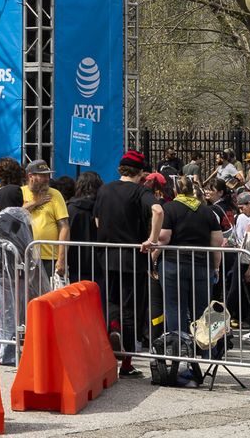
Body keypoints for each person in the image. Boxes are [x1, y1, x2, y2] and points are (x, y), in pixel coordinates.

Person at [93, 151, 153, 375]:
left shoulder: (104, 189)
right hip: (131, 257)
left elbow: (98, 219)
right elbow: (157, 210)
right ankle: (127, 362)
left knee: (112, 301)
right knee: (131, 307)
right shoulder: (140, 191)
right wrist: (151, 239)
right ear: (139, 172)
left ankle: (113, 327)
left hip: (106, 255)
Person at [150, 175, 223, 354]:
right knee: (202, 309)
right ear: (193, 190)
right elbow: (217, 242)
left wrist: (151, 259)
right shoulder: (207, 211)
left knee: (175, 307)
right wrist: (216, 267)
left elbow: (164, 238)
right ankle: (205, 351)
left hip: (173, 264)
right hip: (201, 265)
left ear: (175, 191)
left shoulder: (170, 208)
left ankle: (180, 350)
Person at [0, 183, 33, 365]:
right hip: (19, 271)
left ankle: (6, 351)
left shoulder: (4, 217)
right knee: (15, 312)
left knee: (5, 313)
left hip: (2, 271)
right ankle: (9, 348)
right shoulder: (23, 216)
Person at [23, 160, 70, 291]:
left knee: (48, 296)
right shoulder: (21, 192)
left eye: (47, 175)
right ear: (30, 176)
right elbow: (15, 215)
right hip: (26, 256)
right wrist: (35, 203)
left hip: (49, 257)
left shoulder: (55, 194)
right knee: (27, 296)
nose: (46, 179)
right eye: (42, 175)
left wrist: (61, 259)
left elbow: (64, 226)